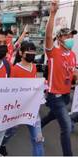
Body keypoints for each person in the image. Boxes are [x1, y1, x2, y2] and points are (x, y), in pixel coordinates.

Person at [41, 0, 77, 155]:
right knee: (66, 127)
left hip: (65, 95)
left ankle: (36, 126)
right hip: (54, 95)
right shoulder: (53, 53)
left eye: (71, 35)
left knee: (50, 116)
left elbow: (72, 73)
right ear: (60, 38)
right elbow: (48, 36)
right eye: (67, 35)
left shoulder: (73, 54)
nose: (70, 38)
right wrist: (53, 14)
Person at [0, 41, 45, 156]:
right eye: (28, 52)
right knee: (11, 131)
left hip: (33, 110)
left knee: (38, 139)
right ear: (21, 53)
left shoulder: (34, 67)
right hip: (18, 109)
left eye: (33, 52)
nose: (31, 54)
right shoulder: (15, 69)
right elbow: (10, 90)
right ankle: (2, 144)